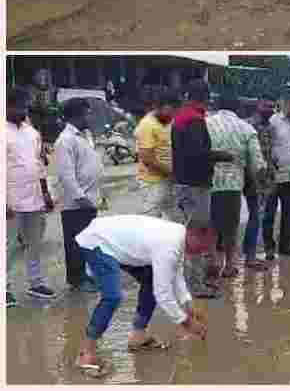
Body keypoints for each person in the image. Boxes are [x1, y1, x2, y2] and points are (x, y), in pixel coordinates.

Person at [73, 215, 210, 378]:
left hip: (117, 242)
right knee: (113, 296)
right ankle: (85, 353)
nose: (205, 250)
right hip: (97, 242)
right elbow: (163, 294)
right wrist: (186, 322)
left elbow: (175, 272)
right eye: (204, 244)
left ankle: (138, 336)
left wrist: (188, 304)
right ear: (193, 234)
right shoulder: (169, 245)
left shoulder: (179, 237)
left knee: (152, 279)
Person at [171, 79, 232, 298]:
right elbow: (197, 154)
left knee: (190, 233)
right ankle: (194, 285)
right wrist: (221, 156)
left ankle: (189, 282)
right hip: (195, 184)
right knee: (196, 235)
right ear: (205, 97)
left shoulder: (182, 117)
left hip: (185, 182)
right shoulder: (194, 120)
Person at [205, 94, 266, 278]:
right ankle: (229, 265)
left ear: (216, 106)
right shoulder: (245, 128)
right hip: (233, 183)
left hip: (208, 181)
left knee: (212, 224)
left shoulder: (206, 123)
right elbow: (258, 163)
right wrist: (260, 183)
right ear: (238, 109)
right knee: (231, 227)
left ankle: (214, 260)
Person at [7, 88, 57, 306]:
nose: (22, 110)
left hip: (34, 197)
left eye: (24, 106)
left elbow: (39, 165)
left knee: (34, 243)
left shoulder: (32, 133)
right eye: (17, 106)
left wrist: (46, 193)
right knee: (6, 245)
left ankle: (35, 282)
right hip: (9, 199)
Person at [53, 97, 105, 293]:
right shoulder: (64, 141)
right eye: (87, 112)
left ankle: (85, 275)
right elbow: (66, 175)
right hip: (76, 202)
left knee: (88, 239)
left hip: (89, 198)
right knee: (75, 241)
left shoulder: (84, 135)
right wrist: (80, 198)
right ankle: (76, 279)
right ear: (77, 115)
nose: (90, 116)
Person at [264, 94, 290, 260]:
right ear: (285, 105)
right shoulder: (273, 122)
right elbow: (266, 147)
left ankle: (285, 246)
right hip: (274, 175)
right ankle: (269, 247)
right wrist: (269, 167)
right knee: (269, 212)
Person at [134, 89, 178, 218]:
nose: (173, 113)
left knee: (174, 220)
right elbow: (147, 158)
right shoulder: (147, 125)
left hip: (169, 179)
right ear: (158, 106)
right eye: (170, 109)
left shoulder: (170, 121)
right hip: (152, 182)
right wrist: (172, 172)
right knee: (151, 222)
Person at [244, 96, 276, 270]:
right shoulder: (248, 125)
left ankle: (250, 250)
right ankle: (249, 254)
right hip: (249, 175)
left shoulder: (270, 128)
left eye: (272, 106)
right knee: (255, 214)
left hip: (264, 178)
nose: (270, 109)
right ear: (258, 106)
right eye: (266, 106)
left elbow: (269, 154)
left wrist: (270, 174)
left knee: (258, 214)